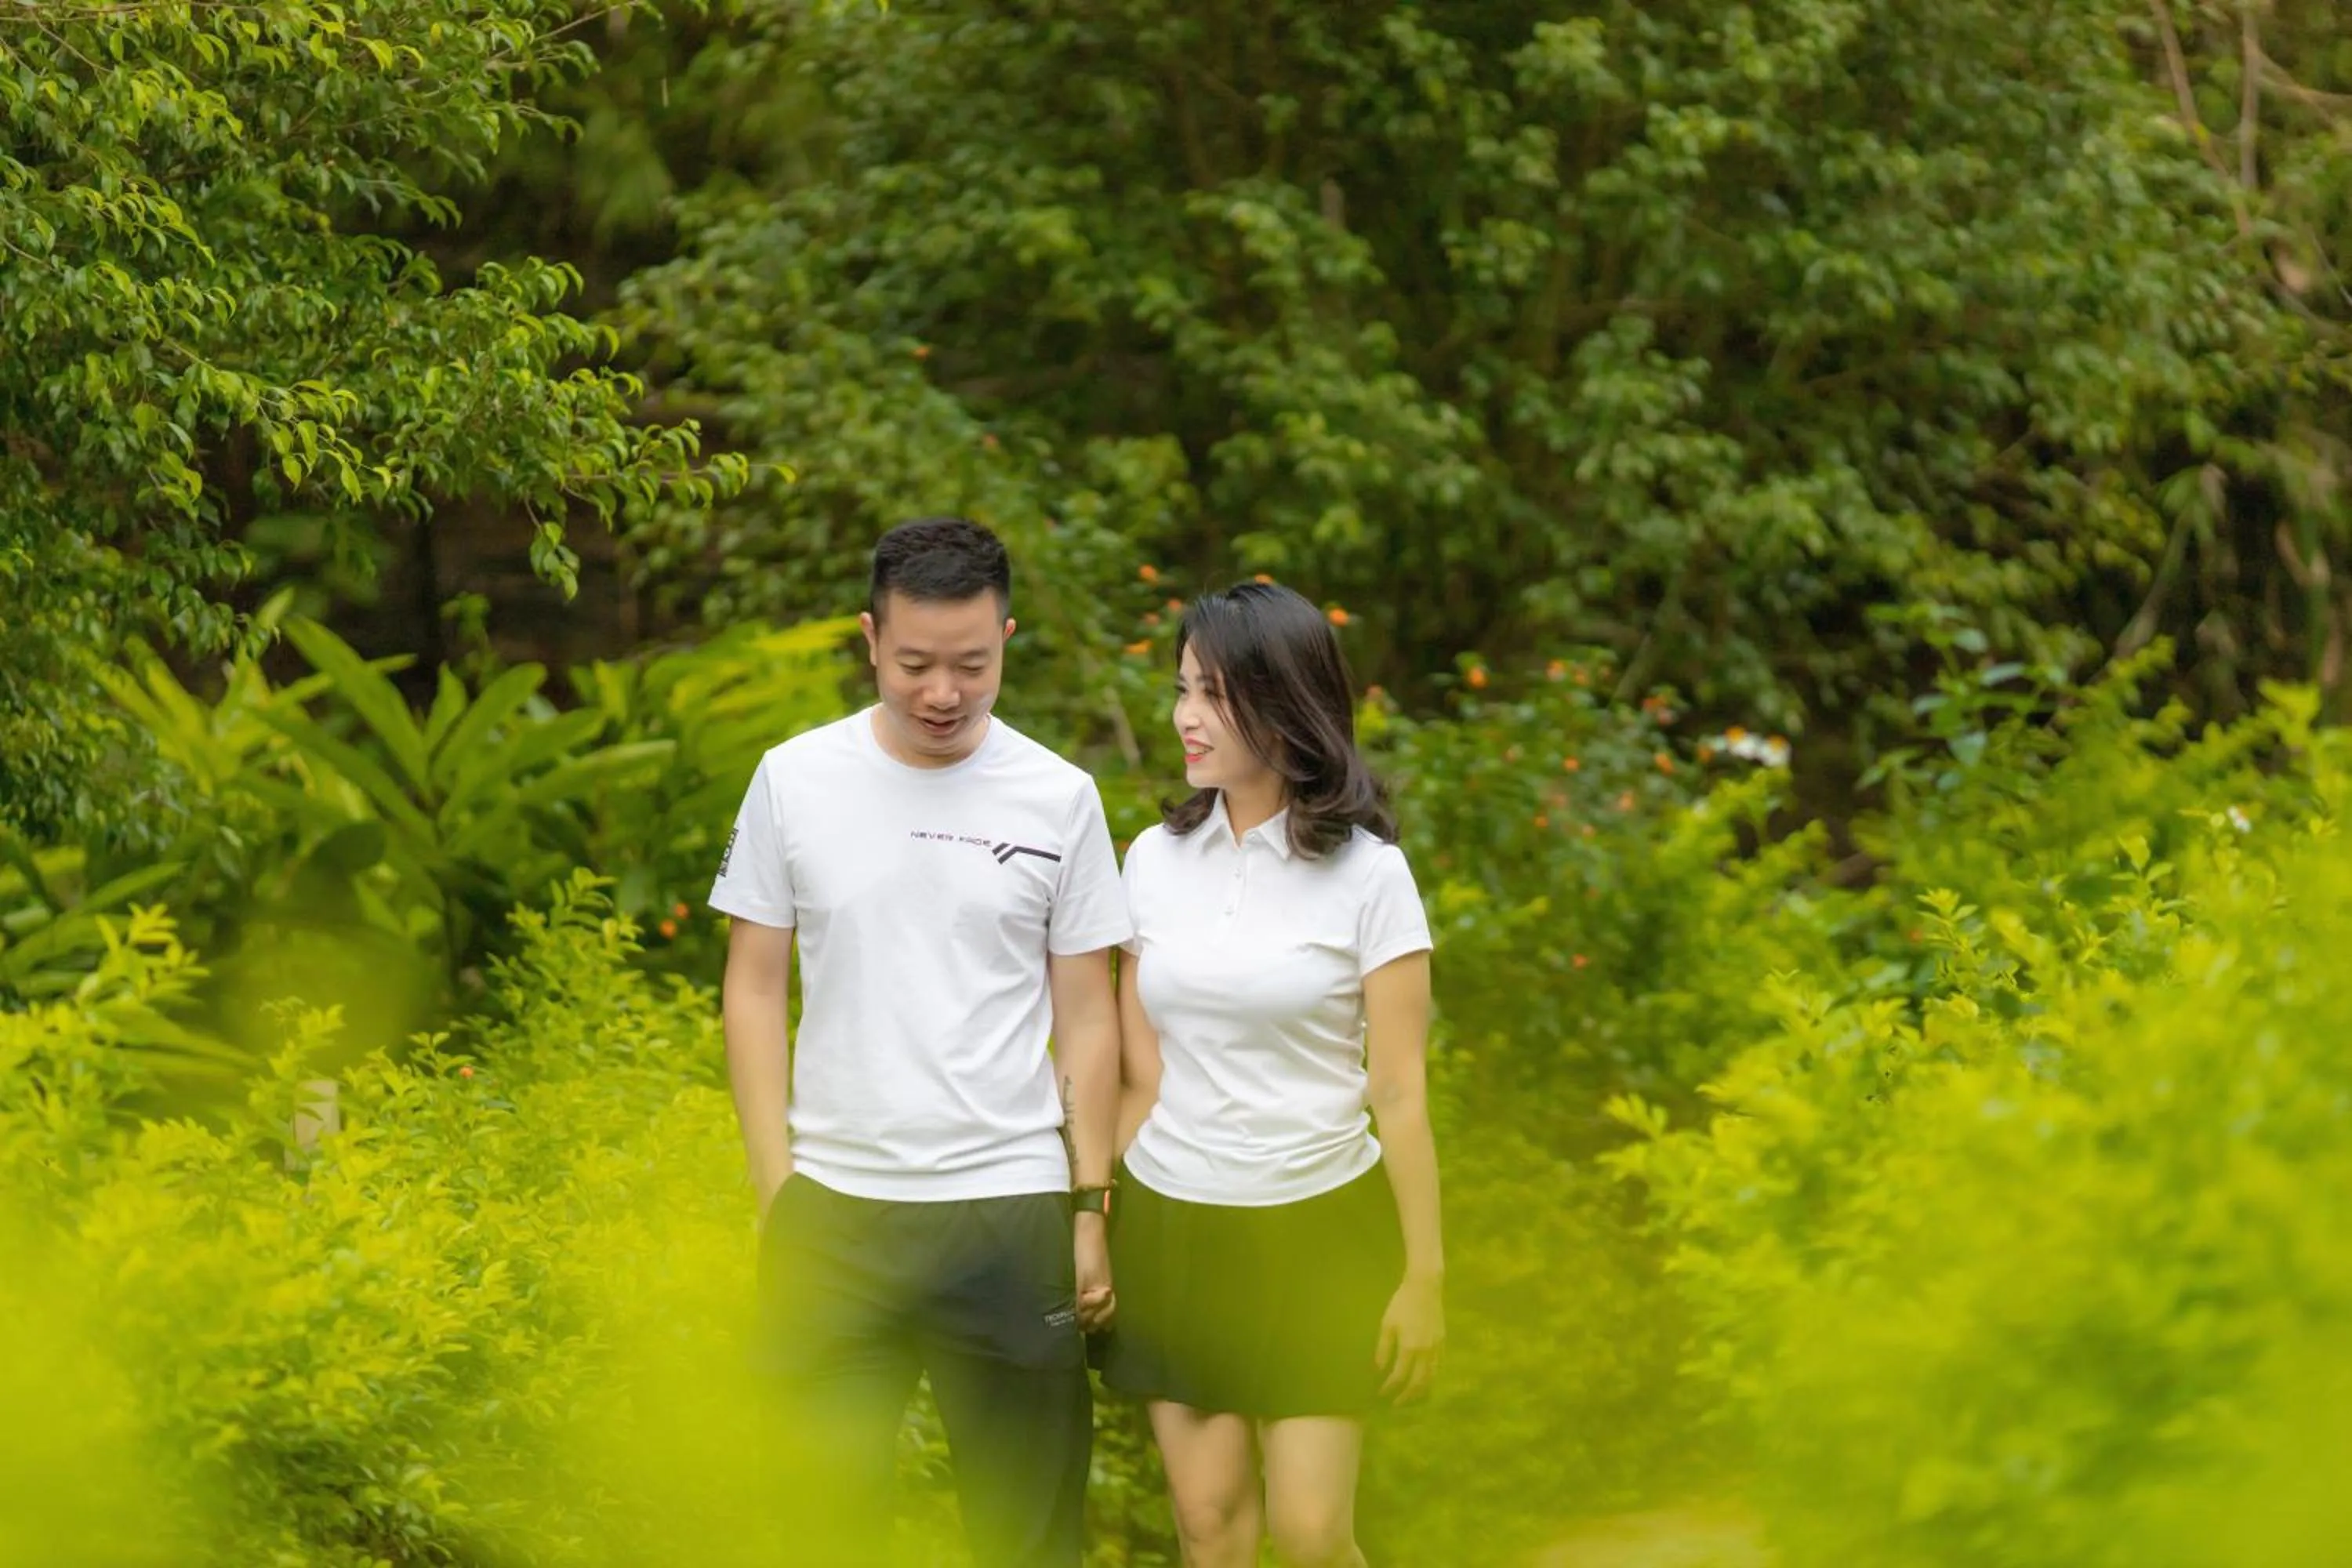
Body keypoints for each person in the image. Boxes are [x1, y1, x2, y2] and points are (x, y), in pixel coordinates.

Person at [708, 517, 1128, 1568]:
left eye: (972, 666)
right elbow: (753, 989)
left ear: (1007, 641)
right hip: (835, 1217)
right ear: (870, 639)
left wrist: (1089, 1207)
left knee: (1029, 1539)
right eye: (915, 665)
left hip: (1009, 1209)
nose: (944, 692)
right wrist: (777, 1189)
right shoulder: (794, 779)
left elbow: (1089, 1013)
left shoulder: (1060, 797)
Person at [1102, 581, 1445, 1568]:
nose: (1185, 717)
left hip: (1320, 1227)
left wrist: (1424, 1274)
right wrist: (1098, 1216)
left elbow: (1401, 1092)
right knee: (1210, 1526)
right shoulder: (1153, 860)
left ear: (1284, 700)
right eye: (1181, 689)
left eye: (1212, 693)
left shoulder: (1371, 876)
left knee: (1310, 1534)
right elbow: (1139, 1069)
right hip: (1175, 1222)